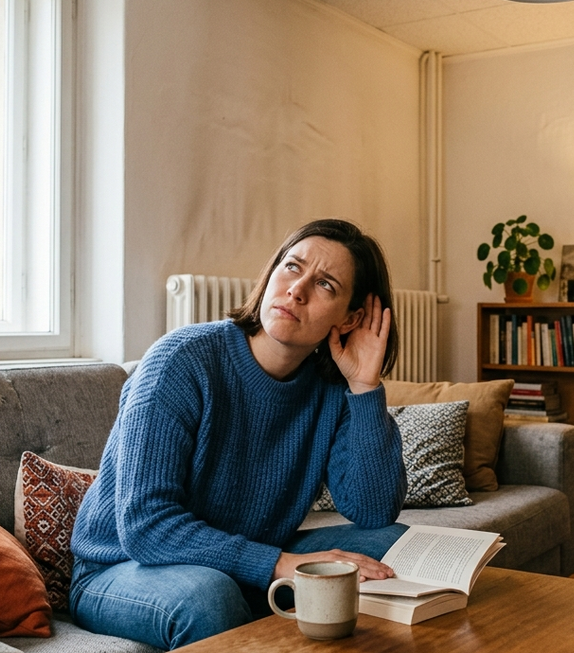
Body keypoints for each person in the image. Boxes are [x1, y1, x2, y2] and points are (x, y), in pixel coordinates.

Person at [69, 219, 409, 649]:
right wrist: (281, 564)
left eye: (325, 285)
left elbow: (374, 510)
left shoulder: (333, 386)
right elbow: (145, 527)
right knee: (209, 597)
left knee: (393, 545)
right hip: (123, 567)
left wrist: (365, 387)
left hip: (246, 552)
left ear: (352, 317)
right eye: (291, 267)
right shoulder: (182, 361)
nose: (296, 290)